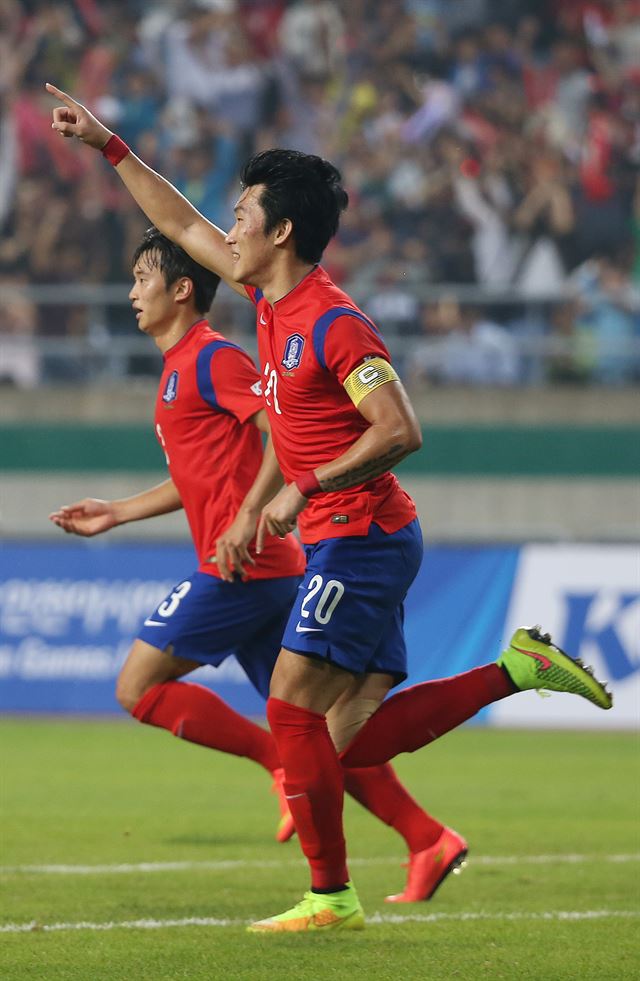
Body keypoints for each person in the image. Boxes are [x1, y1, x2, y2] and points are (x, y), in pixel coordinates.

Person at [46, 84, 613, 933]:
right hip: (342, 537)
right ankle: (516, 671)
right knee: (341, 743)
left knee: (290, 714)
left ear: (280, 231)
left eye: (241, 215)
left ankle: (330, 896)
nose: (225, 228)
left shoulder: (337, 324)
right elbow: (183, 226)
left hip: (366, 537)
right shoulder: (269, 304)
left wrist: (295, 493)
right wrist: (111, 149)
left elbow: (400, 429)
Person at [49, 225, 474, 902]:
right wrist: (118, 511)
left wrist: (252, 509)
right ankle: (428, 837)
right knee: (322, 731)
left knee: (138, 686)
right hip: (257, 561)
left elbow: (282, 425)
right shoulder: (177, 366)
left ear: (181, 289)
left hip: (246, 564)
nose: (131, 293)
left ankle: (280, 770)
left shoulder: (212, 358)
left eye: (141, 279)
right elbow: (193, 478)